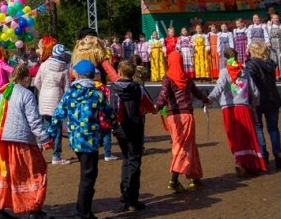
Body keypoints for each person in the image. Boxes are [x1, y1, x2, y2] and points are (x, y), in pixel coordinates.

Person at [0, 63, 49, 219]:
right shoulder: (27, 94)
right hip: (22, 142)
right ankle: (34, 209)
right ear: (26, 78)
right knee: (35, 172)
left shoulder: (1, 92)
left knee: (5, 174)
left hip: (3, 141)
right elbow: (34, 121)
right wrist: (44, 137)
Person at [48, 59, 120, 219]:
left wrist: (50, 135)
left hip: (76, 140)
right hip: (91, 141)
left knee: (88, 174)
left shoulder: (69, 94)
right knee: (88, 176)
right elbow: (110, 113)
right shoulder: (96, 94)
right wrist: (116, 127)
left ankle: (84, 210)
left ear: (78, 75)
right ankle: (83, 212)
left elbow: (57, 116)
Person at [154, 50, 210, 191]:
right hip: (186, 115)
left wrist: (156, 107)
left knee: (180, 145)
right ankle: (174, 180)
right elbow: (197, 93)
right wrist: (206, 100)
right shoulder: (186, 78)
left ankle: (193, 175)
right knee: (187, 145)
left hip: (173, 117)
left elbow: (163, 95)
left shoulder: (167, 78)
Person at [208, 47, 266, 176]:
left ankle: (240, 162)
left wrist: (209, 99)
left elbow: (219, 87)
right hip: (244, 107)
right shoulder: (244, 71)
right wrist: (254, 105)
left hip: (229, 109)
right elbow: (255, 92)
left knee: (234, 136)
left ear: (224, 58)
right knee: (248, 136)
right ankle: (252, 164)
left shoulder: (224, 72)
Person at [113, 60, 156, 212]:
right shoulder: (138, 88)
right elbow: (151, 105)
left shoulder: (113, 88)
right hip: (135, 128)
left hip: (120, 129)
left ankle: (125, 193)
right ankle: (132, 199)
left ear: (119, 72)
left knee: (126, 158)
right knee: (134, 162)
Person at [34, 43, 72, 165]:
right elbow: (67, 88)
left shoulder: (44, 65)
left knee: (44, 128)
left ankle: (38, 153)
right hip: (57, 99)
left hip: (44, 98)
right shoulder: (65, 68)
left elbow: (37, 82)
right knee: (58, 130)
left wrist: (43, 90)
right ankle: (56, 156)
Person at [245, 40, 280, 169]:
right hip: (273, 99)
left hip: (258, 100)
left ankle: (263, 157)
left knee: (258, 127)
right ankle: (278, 154)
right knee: (273, 129)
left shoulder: (251, 64)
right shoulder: (270, 63)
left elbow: (251, 85)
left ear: (254, 50)